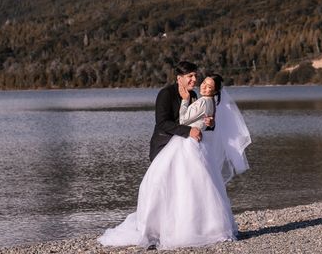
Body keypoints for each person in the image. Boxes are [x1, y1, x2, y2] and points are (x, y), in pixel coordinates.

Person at [98, 70, 250, 249]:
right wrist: (206, 122)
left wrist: (186, 101)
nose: (203, 86)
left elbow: (185, 120)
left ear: (215, 91)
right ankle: (203, 225)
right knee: (195, 183)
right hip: (190, 142)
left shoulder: (200, 99)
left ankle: (180, 227)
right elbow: (201, 121)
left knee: (180, 183)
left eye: (209, 86)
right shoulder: (198, 100)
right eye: (204, 83)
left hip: (188, 144)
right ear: (180, 78)